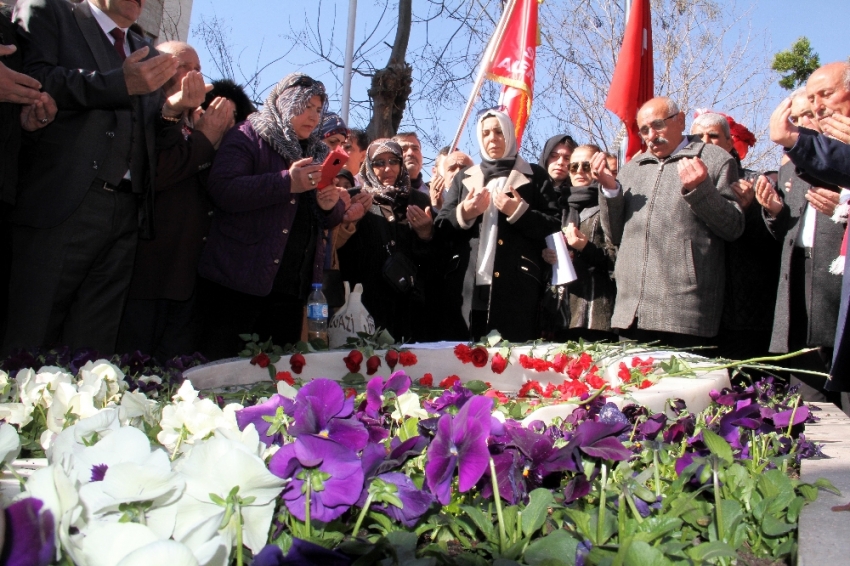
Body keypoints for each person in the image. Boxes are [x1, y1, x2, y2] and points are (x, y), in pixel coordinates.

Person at [6, 0, 181, 355]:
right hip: (65, 202)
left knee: (92, 347)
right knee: (30, 335)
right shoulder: (49, 12)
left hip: (127, 212)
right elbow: (36, 80)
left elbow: (147, 132)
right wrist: (117, 83)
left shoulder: (142, 48)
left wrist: (172, 115)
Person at [197, 73, 344, 358]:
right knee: (223, 374)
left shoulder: (317, 152)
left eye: (317, 109)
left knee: (276, 385)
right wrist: (287, 182)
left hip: (290, 291)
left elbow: (329, 215)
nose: (313, 116)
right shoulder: (248, 135)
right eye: (305, 106)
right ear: (285, 102)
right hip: (236, 286)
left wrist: (330, 205)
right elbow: (223, 189)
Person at [116, 41, 236, 361]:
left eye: (198, 68)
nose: (194, 75)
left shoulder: (195, 122)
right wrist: (205, 139)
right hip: (147, 274)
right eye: (184, 66)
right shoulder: (148, 113)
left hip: (188, 277)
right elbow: (159, 173)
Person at [599, 97, 744, 348]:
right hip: (630, 313)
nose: (651, 135)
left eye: (657, 125)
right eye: (644, 130)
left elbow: (733, 227)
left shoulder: (714, 160)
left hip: (684, 314)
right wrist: (610, 190)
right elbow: (614, 237)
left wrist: (701, 189)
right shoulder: (631, 169)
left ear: (681, 120)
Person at [435, 109, 560, 342]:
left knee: (510, 363)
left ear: (510, 135)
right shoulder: (465, 177)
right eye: (485, 134)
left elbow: (554, 225)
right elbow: (441, 228)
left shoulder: (535, 176)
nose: (492, 138)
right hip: (468, 287)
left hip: (517, 288)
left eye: (498, 132)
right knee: (466, 360)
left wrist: (519, 212)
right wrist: (466, 212)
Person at [766, 62, 850, 399]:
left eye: (825, 95)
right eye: (810, 100)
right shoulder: (801, 164)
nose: (817, 108)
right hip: (803, 289)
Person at [690, 112, 782, 362]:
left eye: (713, 136)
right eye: (698, 137)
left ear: (730, 143)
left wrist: (751, 210)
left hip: (743, 309)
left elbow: (774, 244)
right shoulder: (677, 184)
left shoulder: (753, 182)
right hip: (696, 307)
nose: (706, 142)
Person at [337, 139, 436, 342]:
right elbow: (341, 252)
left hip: (408, 304)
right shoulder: (356, 197)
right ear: (369, 167)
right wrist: (350, 221)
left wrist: (425, 234)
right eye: (379, 163)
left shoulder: (419, 200)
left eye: (393, 161)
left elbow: (429, 261)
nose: (387, 168)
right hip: (364, 302)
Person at [541, 143, 617, 342]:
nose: (579, 172)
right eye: (574, 167)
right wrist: (547, 256)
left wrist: (585, 247)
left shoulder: (609, 202)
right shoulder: (560, 206)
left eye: (586, 166)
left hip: (595, 314)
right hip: (561, 314)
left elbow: (618, 260)